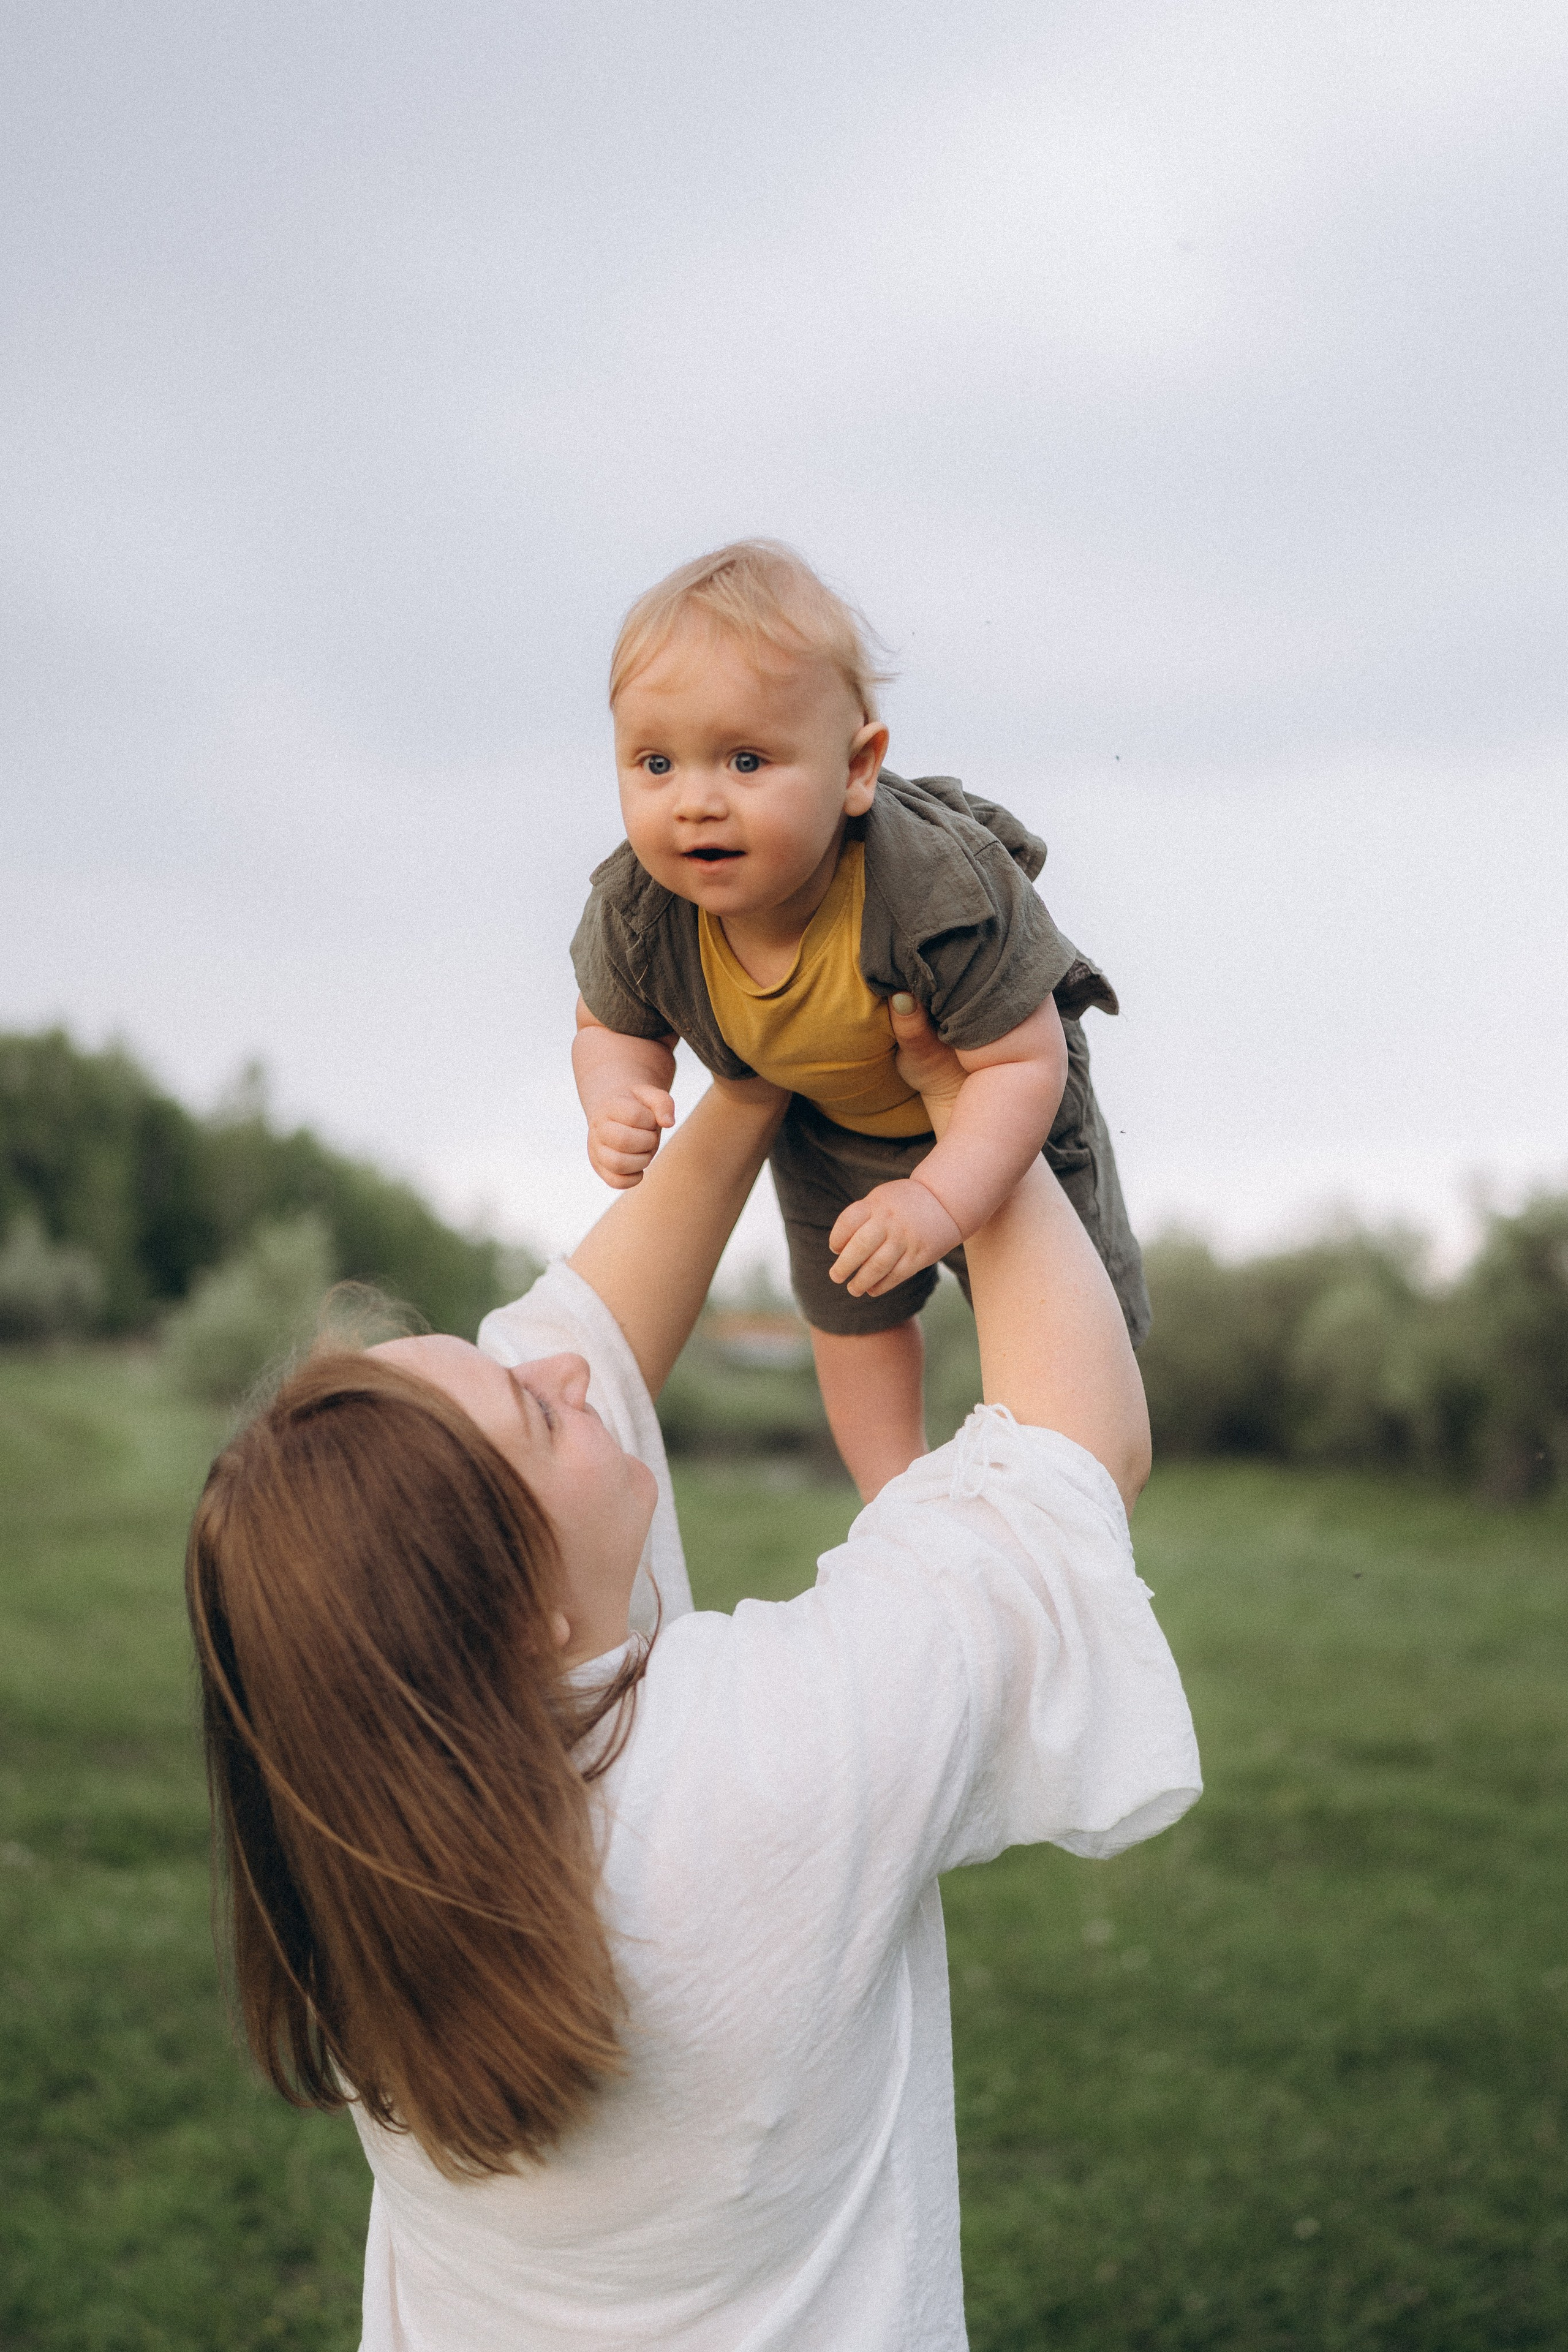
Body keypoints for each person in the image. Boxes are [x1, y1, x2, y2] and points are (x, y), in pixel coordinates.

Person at [187, 1006, 1200, 2352]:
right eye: (534, 1412)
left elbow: (588, 1324)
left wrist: (761, 1054)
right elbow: (1070, 1469)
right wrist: (978, 1105)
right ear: (522, 1611)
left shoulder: (358, 1842)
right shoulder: (762, 1767)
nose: (552, 1363)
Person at [571, 538, 1148, 1501]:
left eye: (746, 760)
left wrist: (938, 1201)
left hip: (995, 1109)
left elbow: (1023, 1064)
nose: (696, 801)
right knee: (849, 1316)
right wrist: (620, 1094)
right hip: (830, 1131)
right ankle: (896, 1496)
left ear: (857, 769)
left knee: (1070, 1325)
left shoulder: (928, 890)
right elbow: (607, 1024)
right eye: (656, 763)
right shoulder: (642, 907)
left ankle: (1064, 1491)